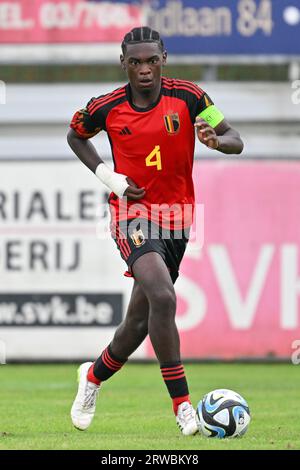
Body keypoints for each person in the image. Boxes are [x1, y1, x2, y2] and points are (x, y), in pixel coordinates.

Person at [67, 26, 244, 436]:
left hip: (178, 220)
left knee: (139, 322)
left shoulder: (191, 96)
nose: (144, 69)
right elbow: (76, 134)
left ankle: (92, 378)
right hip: (132, 214)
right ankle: (183, 405)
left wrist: (217, 141)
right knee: (164, 296)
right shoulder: (106, 107)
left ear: (163, 58)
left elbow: (236, 138)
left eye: (151, 60)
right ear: (124, 63)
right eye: (135, 62)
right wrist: (109, 178)